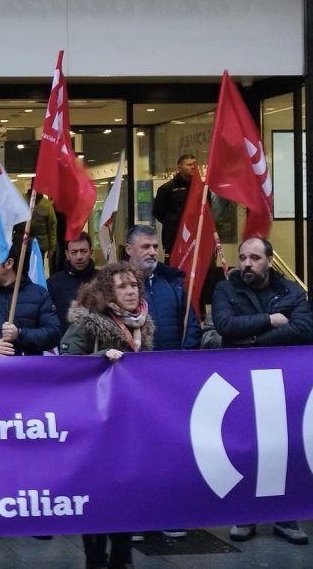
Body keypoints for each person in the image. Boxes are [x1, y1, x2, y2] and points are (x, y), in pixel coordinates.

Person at [211, 237, 312, 545]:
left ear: (269, 260)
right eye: (242, 257)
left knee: (283, 447)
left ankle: (285, 516)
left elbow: (302, 329)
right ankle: (246, 514)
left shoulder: (290, 291)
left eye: (254, 258)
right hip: (240, 379)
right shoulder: (225, 289)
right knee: (245, 447)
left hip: (282, 379)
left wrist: (254, 340)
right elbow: (226, 325)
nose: (247, 264)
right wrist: (270, 320)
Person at [59, 262, 153, 569]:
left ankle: (123, 556)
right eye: (122, 286)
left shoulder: (143, 324)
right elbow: (66, 365)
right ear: (107, 292)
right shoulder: (87, 323)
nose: (130, 291)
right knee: (97, 493)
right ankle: (95, 557)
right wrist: (101, 358)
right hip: (95, 424)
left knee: (126, 490)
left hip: (129, 423)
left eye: (133, 285)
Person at [121, 224, 197, 540]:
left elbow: (190, 327)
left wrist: (182, 366)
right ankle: (136, 515)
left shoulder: (174, 286)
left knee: (169, 450)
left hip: (169, 384)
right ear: (129, 250)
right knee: (134, 452)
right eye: (146, 247)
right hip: (131, 386)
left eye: (155, 246)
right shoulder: (112, 286)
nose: (153, 252)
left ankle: (169, 512)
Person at [0, 240, 62, 357]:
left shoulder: (39, 294)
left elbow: (54, 334)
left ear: (9, 263)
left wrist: (19, 334)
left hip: (28, 371)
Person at [47, 232, 97, 333]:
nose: (79, 256)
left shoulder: (103, 280)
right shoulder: (54, 283)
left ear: (91, 252)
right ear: (67, 254)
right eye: (74, 252)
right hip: (64, 343)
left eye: (83, 251)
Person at [151, 154, 198, 255]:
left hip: (197, 237)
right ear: (179, 167)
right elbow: (158, 212)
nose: (193, 167)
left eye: (194, 164)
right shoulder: (167, 189)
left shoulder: (202, 188)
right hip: (174, 237)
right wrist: (172, 221)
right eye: (189, 164)